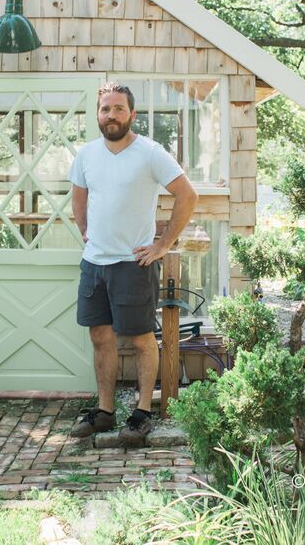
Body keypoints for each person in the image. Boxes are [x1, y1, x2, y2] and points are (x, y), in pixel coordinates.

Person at [68, 81, 198, 446]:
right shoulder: (87, 154)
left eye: (118, 109)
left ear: (132, 114)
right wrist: (86, 232)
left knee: (141, 340)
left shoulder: (150, 153)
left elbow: (187, 195)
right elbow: (79, 199)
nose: (111, 115)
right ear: (98, 114)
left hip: (132, 264)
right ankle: (105, 412)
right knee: (100, 336)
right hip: (94, 264)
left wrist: (163, 244)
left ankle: (141, 414)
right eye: (105, 109)